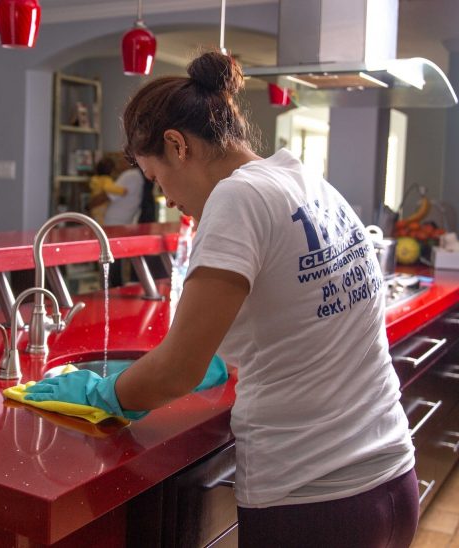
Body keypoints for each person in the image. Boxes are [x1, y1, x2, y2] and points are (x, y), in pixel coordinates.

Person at [25, 50, 419, 547]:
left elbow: (176, 371)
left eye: (156, 177)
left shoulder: (237, 198)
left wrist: (103, 395)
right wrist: (219, 358)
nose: (166, 197)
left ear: (177, 144)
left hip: (313, 499)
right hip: (390, 478)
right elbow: (295, 317)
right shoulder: (304, 180)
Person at [87, 157, 125, 225]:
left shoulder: (96, 179)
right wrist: (122, 191)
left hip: (95, 206)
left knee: (94, 223)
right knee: (100, 225)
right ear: (111, 170)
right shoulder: (106, 179)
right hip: (100, 206)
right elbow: (108, 188)